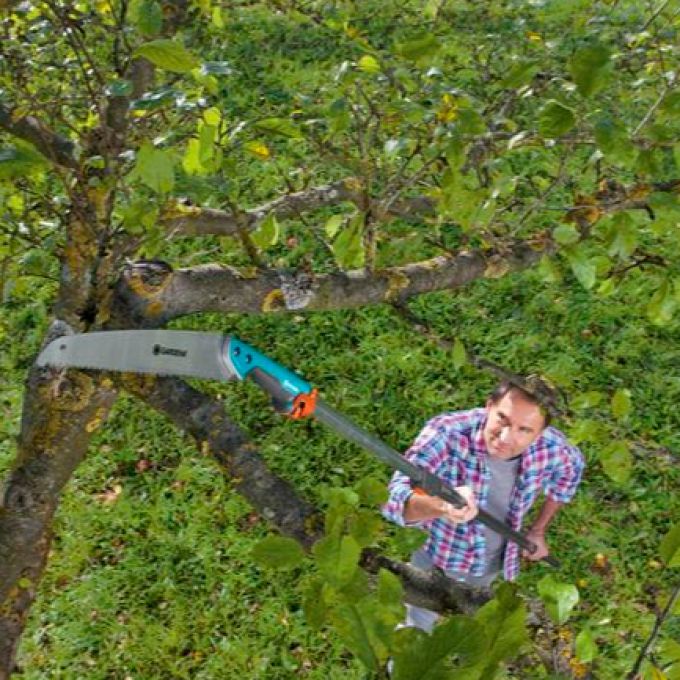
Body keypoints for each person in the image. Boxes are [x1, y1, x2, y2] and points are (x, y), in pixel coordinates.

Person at [382, 377, 584, 633]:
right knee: (417, 625)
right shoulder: (447, 433)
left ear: (541, 433)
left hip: (493, 562)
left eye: (524, 430)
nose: (506, 437)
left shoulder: (554, 449)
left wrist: (538, 531)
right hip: (437, 555)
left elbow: (570, 473)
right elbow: (395, 500)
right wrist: (442, 506)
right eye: (502, 419)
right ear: (489, 405)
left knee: (469, 624)